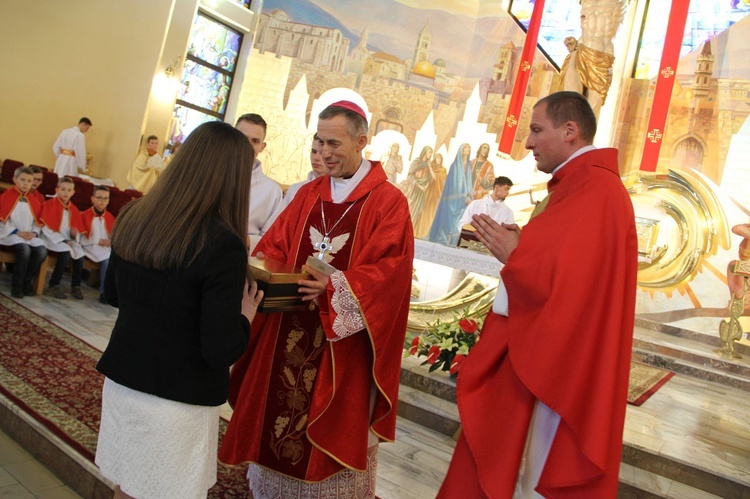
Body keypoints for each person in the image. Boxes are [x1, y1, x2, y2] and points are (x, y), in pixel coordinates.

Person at [438, 91, 637, 498]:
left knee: (540, 471)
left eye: (535, 130)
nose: (527, 142)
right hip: (548, 350)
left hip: (562, 365)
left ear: (570, 131)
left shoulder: (596, 188)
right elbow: (569, 261)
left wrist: (519, 255)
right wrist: (525, 246)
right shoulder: (577, 185)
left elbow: (576, 286)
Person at [219, 100, 415, 498]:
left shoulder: (387, 202)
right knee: (276, 422)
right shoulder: (307, 194)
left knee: (330, 430)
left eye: (334, 143)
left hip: (340, 346)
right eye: (319, 142)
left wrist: (338, 287)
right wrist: (260, 268)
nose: (324, 152)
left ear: (362, 141)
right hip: (285, 330)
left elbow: (391, 274)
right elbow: (274, 246)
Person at [95, 121, 263, 499]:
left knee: (127, 485)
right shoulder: (223, 244)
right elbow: (219, 348)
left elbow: (112, 294)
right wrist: (246, 316)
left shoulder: (135, 215)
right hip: (176, 401)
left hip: (124, 382)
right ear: (233, 177)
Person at [235, 113, 283, 251]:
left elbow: (271, 239)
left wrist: (246, 240)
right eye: (242, 138)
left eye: (255, 141)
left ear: (262, 146)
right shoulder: (211, 173)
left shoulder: (272, 191)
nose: (247, 146)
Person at [0, 167, 47, 298]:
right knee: (25, 250)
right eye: (22, 180)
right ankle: (17, 285)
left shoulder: (34, 201)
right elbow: (2, 221)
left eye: (29, 181)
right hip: (10, 235)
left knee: (42, 251)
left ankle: (27, 280)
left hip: (28, 235)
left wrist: (34, 233)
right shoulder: (6, 197)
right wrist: (16, 232)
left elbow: (37, 222)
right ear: (15, 180)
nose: (26, 183)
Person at [40, 176, 86, 300]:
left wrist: (73, 235)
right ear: (57, 189)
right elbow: (46, 228)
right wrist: (64, 240)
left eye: (69, 190)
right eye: (63, 189)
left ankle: (76, 286)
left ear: (73, 192)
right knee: (66, 253)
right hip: (51, 239)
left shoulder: (73, 209)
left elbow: (75, 231)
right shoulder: (49, 204)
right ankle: (53, 285)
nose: (66, 192)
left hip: (67, 241)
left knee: (80, 254)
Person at [427, 143, 473, 246]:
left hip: (465, 199)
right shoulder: (455, 165)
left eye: (468, 147)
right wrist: (463, 196)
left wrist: (469, 195)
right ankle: (444, 240)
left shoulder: (469, 165)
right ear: (461, 150)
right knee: (449, 220)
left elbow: (469, 182)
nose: (467, 149)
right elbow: (454, 184)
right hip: (455, 198)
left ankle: (453, 242)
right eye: (465, 147)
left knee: (459, 223)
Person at [80, 186, 115, 304]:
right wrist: (99, 241)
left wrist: (110, 242)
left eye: (106, 198)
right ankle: (103, 292)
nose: (102, 201)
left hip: (104, 247)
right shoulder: (84, 215)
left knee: (117, 258)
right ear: (92, 199)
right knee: (108, 260)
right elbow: (81, 239)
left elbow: (113, 236)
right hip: (89, 246)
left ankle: (113, 292)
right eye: (99, 198)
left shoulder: (109, 217)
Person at [281, 133, 328, 209]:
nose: (316, 158)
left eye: (322, 153)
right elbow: (282, 219)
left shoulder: (340, 192)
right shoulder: (295, 189)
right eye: (313, 151)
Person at [401, 145, 434, 238]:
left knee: (418, 212)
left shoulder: (429, 164)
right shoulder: (417, 162)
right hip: (415, 189)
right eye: (429, 152)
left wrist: (427, 185)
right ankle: (403, 231)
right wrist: (420, 186)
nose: (430, 154)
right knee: (410, 210)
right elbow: (411, 176)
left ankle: (411, 232)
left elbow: (431, 178)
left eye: (431, 152)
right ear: (424, 152)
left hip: (423, 192)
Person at [420, 152, 447, 239]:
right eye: (437, 158)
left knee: (432, 213)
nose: (439, 160)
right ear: (434, 159)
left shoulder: (442, 170)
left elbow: (435, 178)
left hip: (436, 193)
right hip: (428, 192)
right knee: (424, 212)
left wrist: (430, 167)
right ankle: (421, 232)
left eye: (440, 158)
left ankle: (429, 234)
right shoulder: (430, 168)